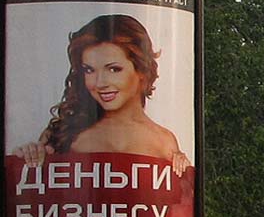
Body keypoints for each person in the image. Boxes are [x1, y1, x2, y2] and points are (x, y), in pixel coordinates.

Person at [12, 14, 189, 174]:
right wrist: (28, 157)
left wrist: (186, 176)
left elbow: (175, 204)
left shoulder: (165, 142)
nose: (100, 83)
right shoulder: (62, 132)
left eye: (113, 69)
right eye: (89, 70)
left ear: (141, 70)